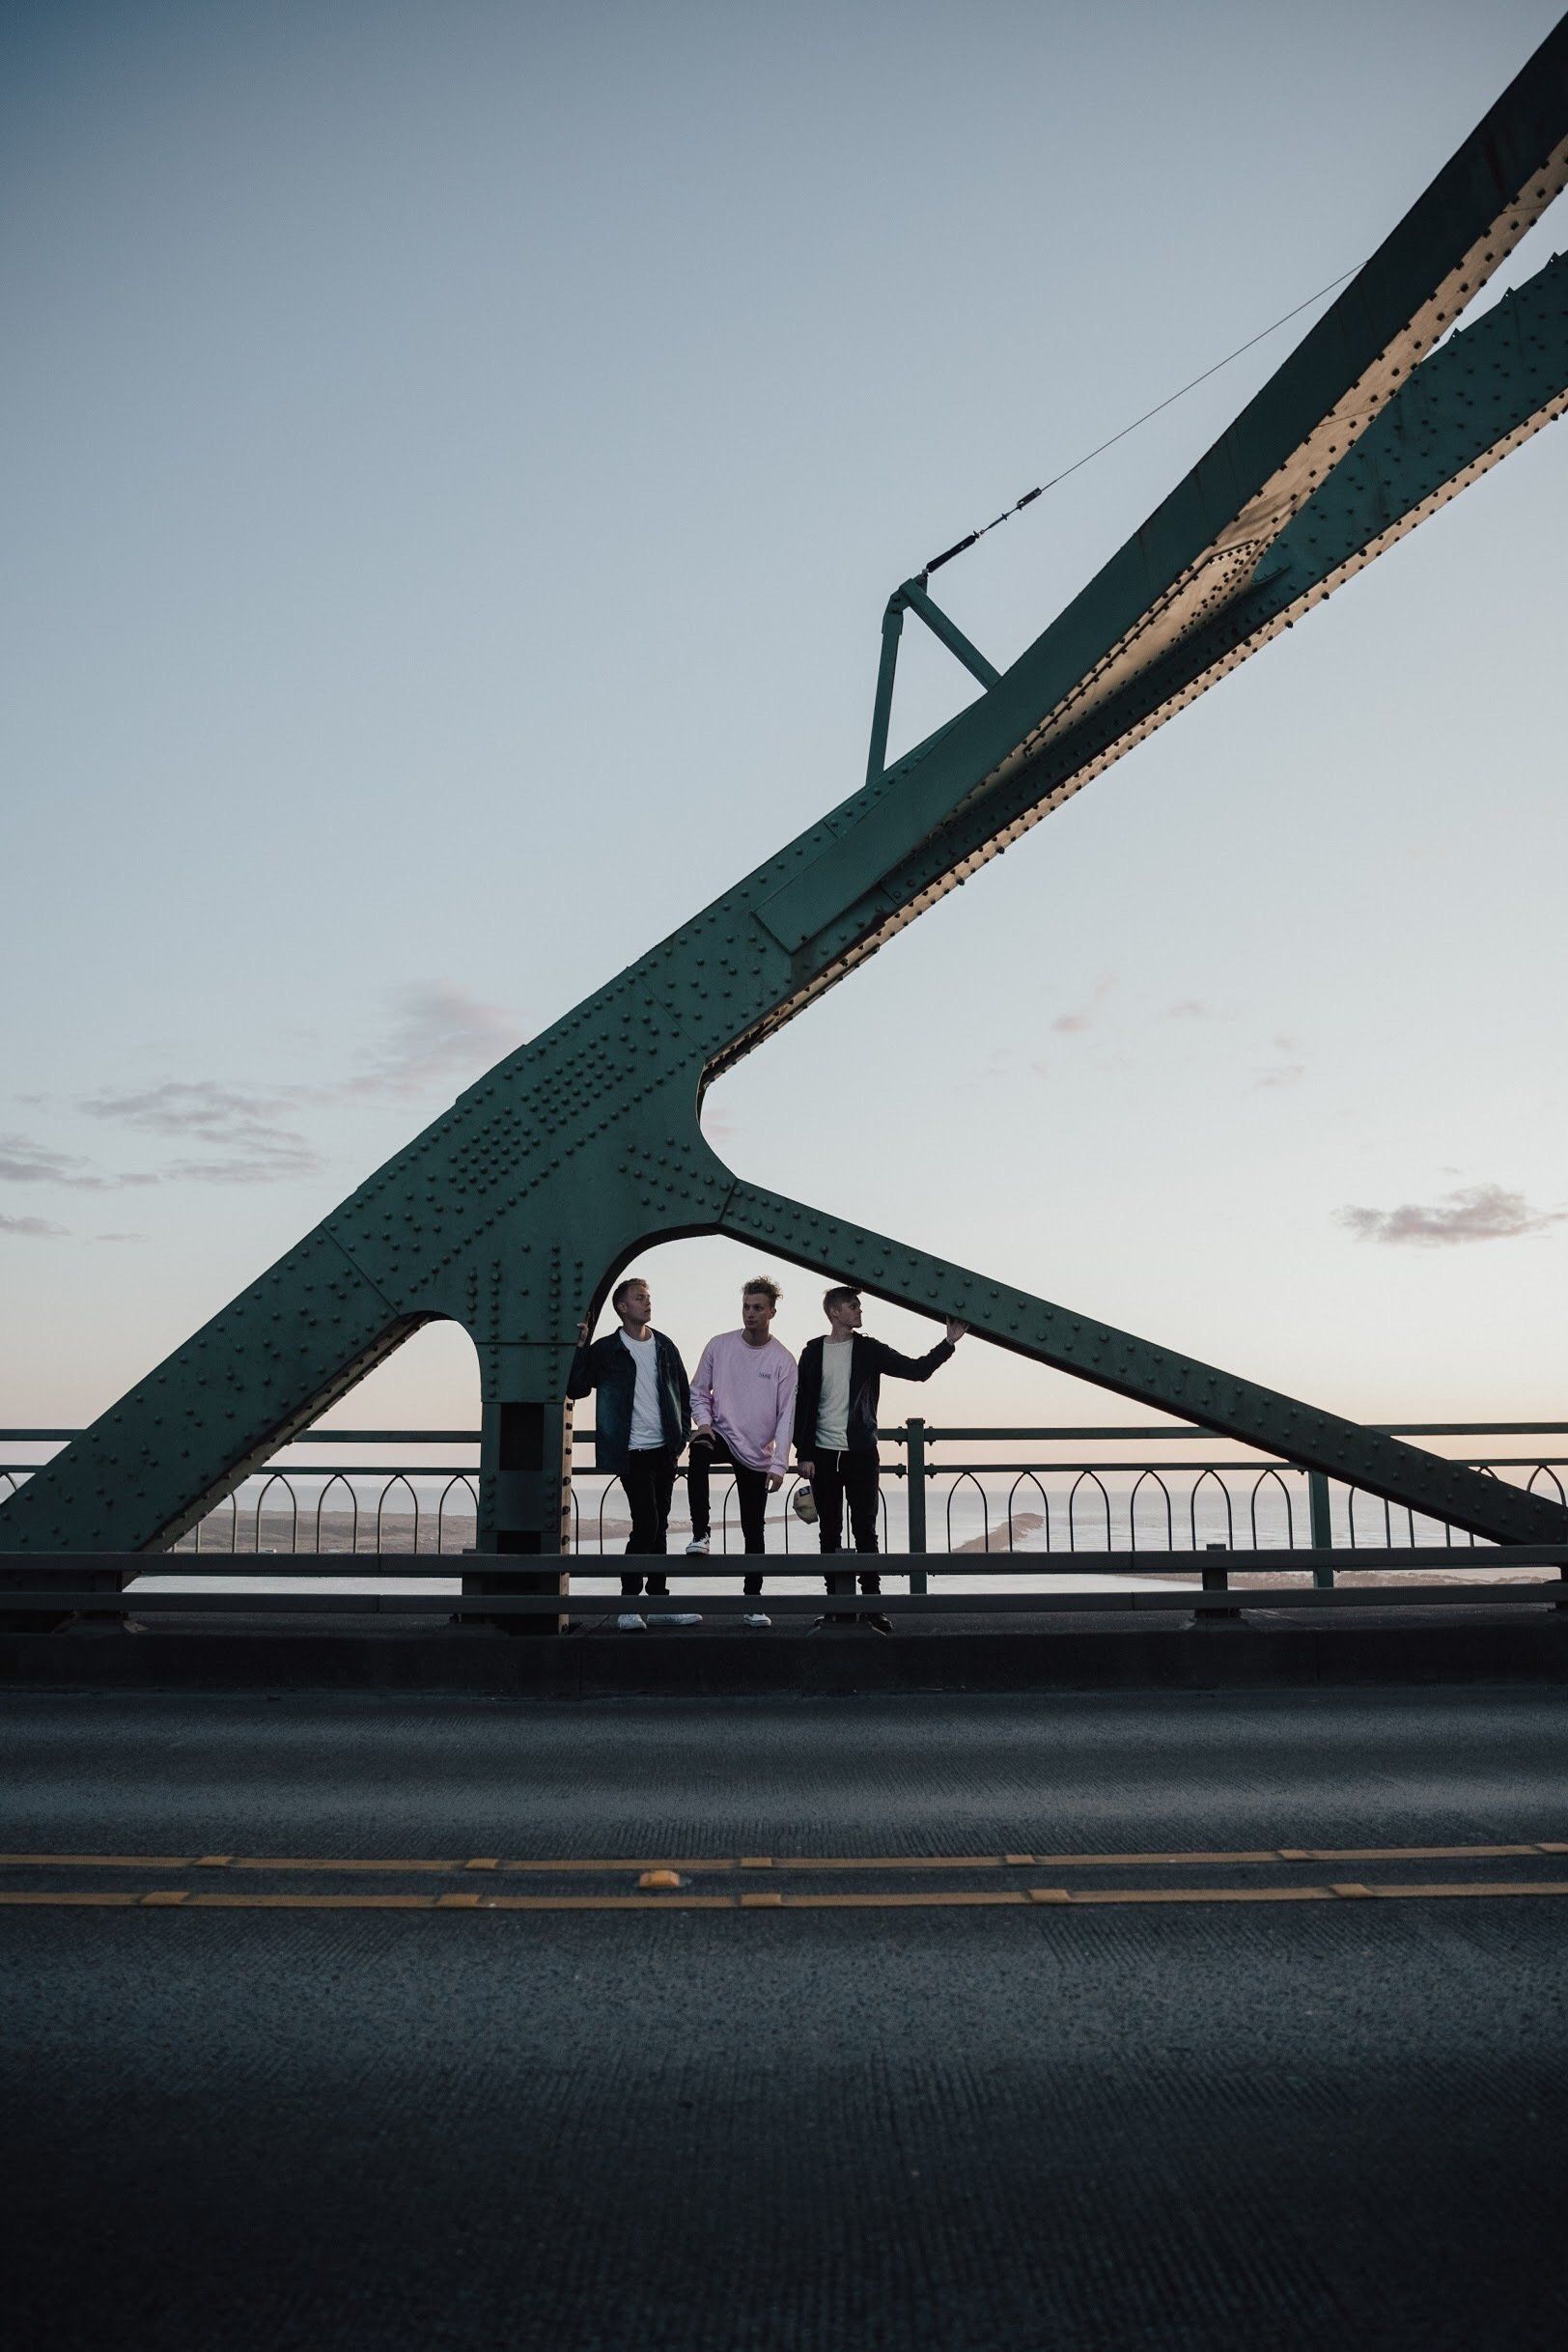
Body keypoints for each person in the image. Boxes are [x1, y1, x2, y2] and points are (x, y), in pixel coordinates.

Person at [794, 1288, 967, 1633]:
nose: (860, 1311)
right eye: (853, 1306)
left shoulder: (869, 1349)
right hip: (823, 1457)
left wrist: (948, 1343)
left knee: (866, 1531)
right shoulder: (813, 1351)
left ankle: (873, 1606)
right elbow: (803, 1403)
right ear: (834, 1313)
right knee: (829, 1532)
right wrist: (804, 1453)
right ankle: (834, 1607)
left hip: (860, 1454)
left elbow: (917, 1370)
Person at [568, 1276, 699, 1633]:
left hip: (664, 1449)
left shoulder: (665, 1346)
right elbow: (576, 1387)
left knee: (660, 1528)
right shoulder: (608, 1349)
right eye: (640, 1298)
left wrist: (682, 1435)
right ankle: (629, 1605)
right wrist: (580, 1347)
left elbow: (682, 1393)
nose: (647, 1302)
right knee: (647, 1523)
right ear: (623, 1307)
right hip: (631, 1451)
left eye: (648, 1296)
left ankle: (657, 1603)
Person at [686, 1275, 797, 1630]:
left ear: (772, 1312)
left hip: (756, 1451)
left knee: (754, 1528)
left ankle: (753, 1603)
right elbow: (698, 1391)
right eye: (747, 1307)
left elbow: (786, 1416)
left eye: (758, 1308)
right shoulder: (719, 1346)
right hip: (720, 1433)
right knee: (698, 1451)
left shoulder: (783, 1360)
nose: (750, 1314)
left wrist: (779, 1465)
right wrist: (703, 1424)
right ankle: (701, 1533)